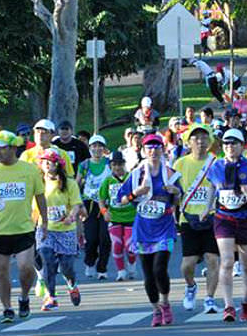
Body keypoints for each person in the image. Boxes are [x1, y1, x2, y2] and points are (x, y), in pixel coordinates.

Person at [117, 134, 182, 327]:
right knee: (148, 274)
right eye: (149, 148)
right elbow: (120, 200)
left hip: (164, 228)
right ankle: (155, 309)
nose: (153, 151)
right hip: (143, 229)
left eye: (157, 148)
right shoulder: (137, 175)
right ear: (144, 151)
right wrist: (134, 194)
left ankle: (165, 302)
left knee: (159, 268)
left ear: (162, 150)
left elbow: (178, 200)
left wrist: (176, 193)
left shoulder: (171, 174)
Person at [206, 128, 247, 322]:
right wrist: (206, 209)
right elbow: (211, 189)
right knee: (226, 261)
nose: (229, 147)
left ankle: (246, 301)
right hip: (224, 217)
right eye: (226, 144)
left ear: (242, 146)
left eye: (233, 143)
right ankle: (229, 306)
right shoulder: (216, 167)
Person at [0, 130, 47, 322]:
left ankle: (24, 297)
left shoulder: (29, 170)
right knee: (1, 270)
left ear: (13, 148)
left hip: (24, 229)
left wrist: (45, 221)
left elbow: (40, 196)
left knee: (26, 268)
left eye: (2, 148)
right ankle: (7, 308)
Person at [173, 124, 220, 313]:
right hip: (188, 218)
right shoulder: (180, 164)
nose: (200, 141)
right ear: (189, 142)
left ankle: (209, 298)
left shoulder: (216, 162)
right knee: (188, 264)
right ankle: (191, 286)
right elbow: (173, 191)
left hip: (212, 217)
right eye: (196, 138)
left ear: (209, 141)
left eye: (204, 138)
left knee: (212, 259)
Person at [36, 148, 83, 311]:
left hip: (66, 229)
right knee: (47, 259)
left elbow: (77, 203)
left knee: (66, 267)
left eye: (50, 161)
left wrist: (71, 216)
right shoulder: (39, 182)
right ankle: (51, 297)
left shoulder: (69, 183)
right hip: (46, 228)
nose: (47, 164)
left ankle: (72, 284)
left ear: (58, 164)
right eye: (44, 161)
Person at [76, 135, 112, 280]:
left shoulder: (109, 163)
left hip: (106, 205)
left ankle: (102, 268)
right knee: (91, 239)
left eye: (100, 146)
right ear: (89, 148)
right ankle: (90, 262)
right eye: (94, 146)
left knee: (105, 238)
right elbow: (76, 184)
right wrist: (76, 203)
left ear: (104, 148)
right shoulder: (84, 165)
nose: (97, 149)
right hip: (89, 205)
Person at [98, 151, 137, 281]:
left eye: (120, 164)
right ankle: (121, 271)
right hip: (114, 217)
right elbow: (101, 199)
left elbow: (138, 194)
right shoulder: (108, 181)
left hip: (130, 217)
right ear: (110, 166)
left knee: (129, 246)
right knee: (117, 244)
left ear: (124, 164)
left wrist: (129, 198)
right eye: (114, 164)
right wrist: (104, 211)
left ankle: (131, 264)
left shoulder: (131, 178)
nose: (117, 167)